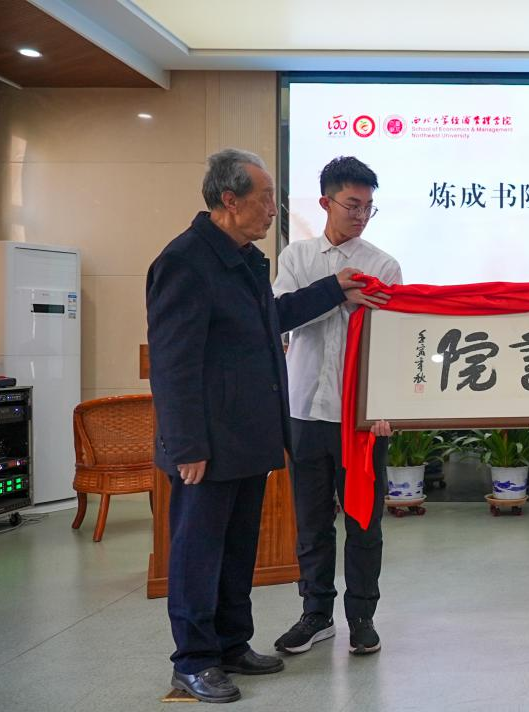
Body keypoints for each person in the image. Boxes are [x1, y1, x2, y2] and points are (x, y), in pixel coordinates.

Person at [147, 148, 385, 703]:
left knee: (237, 550)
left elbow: (270, 320)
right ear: (230, 200)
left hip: (247, 437)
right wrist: (186, 444)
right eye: (266, 198)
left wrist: (334, 289)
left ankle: (232, 643)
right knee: (197, 553)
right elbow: (173, 362)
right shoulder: (185, 261)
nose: (274, 209)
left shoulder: (247, 260)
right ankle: (193, 661)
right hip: (206, 443)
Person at [272, 156, 400, 656]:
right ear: (326, 202)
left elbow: (391, 344)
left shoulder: (383, 265)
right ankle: (315, 614)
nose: (361, 215)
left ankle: (362, 617)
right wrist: (335, 294)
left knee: (364, 522)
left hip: (362, 419)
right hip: (304, 408)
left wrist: (386, 405)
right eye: (352, 205)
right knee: (311, 522)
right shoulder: (296, 258)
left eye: (368, 207)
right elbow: (280, 317)